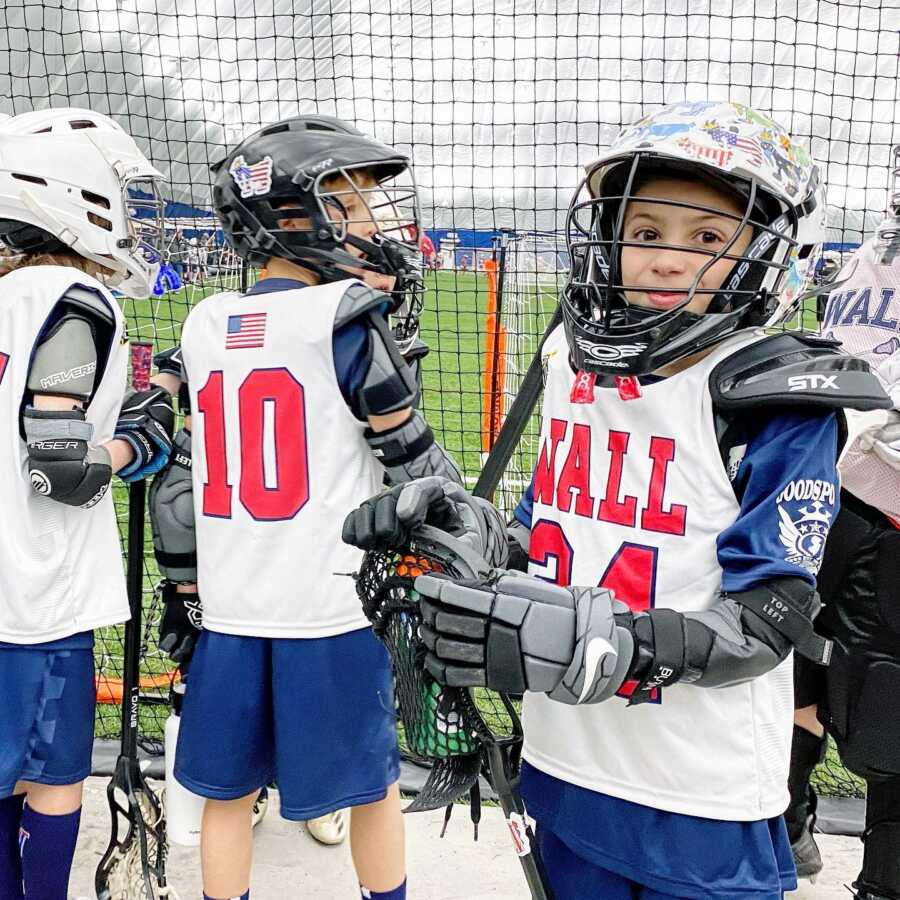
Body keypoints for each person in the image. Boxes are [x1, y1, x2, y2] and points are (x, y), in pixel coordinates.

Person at [343, 100, 891, 899]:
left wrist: (623, 645)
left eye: (707, 239)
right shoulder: (572, 358)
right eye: (646, 233)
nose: (669, 260)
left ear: (769, 254)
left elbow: (771, 618)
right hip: (564, 761)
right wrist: (467, 532)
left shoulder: (772, 399)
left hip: (695, 789)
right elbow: (547, 530)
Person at [148, 114, 461, 900]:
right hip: (330, 610)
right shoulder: (351, 321)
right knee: (372, 787)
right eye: (350, 207)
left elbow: (190, 461)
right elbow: (414, 460)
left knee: (225, 793)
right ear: (293, 218)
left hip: (231, 607)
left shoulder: (203, 323)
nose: (371, 227)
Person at [0, 108, 173, 899]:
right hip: (33, 601)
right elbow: (58, 465)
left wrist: (129, 408)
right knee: (51, 778)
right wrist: (139, 443)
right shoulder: (75, 297)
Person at [787, 145, 900, 899]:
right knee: (796, 660)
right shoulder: (866, 255)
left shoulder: (866, 255)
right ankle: (787, 827)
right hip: (840, 493)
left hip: (869, 505)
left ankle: (873, 875)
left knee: (870, 692)